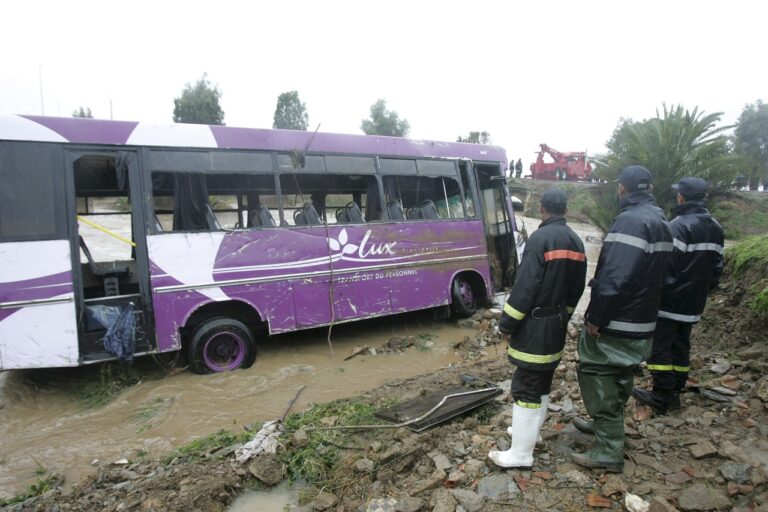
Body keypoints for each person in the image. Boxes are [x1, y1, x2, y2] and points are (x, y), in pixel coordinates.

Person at [570, 165, 672, 473]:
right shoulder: (661, 220)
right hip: (643, 321)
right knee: (622, 372)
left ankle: (608, 450)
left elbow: (615, 277)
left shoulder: (629, 221)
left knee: (595, 372)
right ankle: (606, 428)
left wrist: (595, 317)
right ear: (650, 187)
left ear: (622, 189)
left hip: (619, 322)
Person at [488, 188, 587, 469]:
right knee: (541, 383)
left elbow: (524, 290)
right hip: (555, 325)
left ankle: (521, 454)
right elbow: (576, 290)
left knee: (526, 387)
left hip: (534, 328)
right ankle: (529, 435)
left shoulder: (539, 240)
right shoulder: (576, 242)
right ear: (565, 209)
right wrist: (563, 318)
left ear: (542, 209)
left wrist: (506, 324)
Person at [632, 177, 724, 413]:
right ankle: (676, 389)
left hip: (670, 302)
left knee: (660, 348)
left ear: (681, 197)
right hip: (693, 304)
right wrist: (701, 292)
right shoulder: (716, 228)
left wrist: (654, 293)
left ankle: (662, 395)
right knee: (681, 346)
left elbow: (665, 267)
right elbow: (716, 269)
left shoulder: (679, 226)